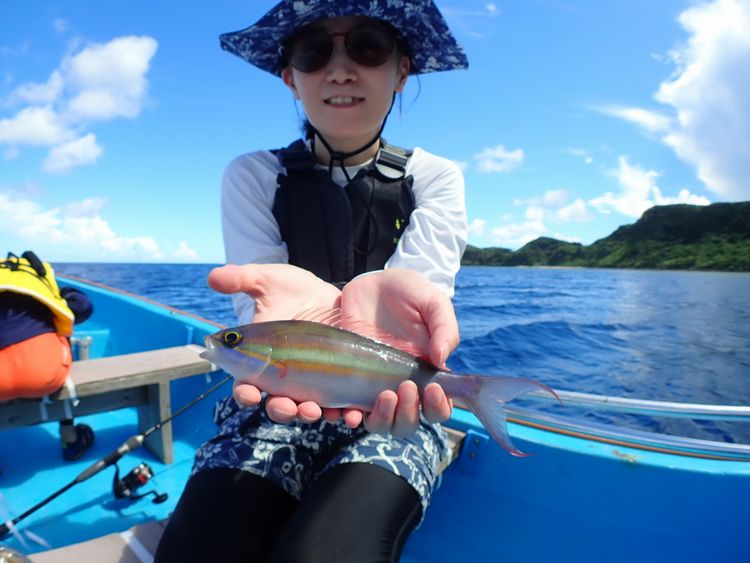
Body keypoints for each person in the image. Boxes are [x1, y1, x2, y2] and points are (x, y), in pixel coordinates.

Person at [156, 1, 468, 561]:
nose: (340, 69)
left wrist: (394, 330)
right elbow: (261, 317)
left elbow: (419, 289)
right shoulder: (254, 174)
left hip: (398, 403)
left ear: (402, 68)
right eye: (313, 51)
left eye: (368, 46)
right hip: (275, 398)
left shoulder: (436, 177)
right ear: (290, 78)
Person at [0, 251, 95, 461]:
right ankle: (70, 438)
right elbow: (84, 308)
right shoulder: (36, 278)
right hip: (44, 376)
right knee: (61, 333)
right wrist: (65, 293)